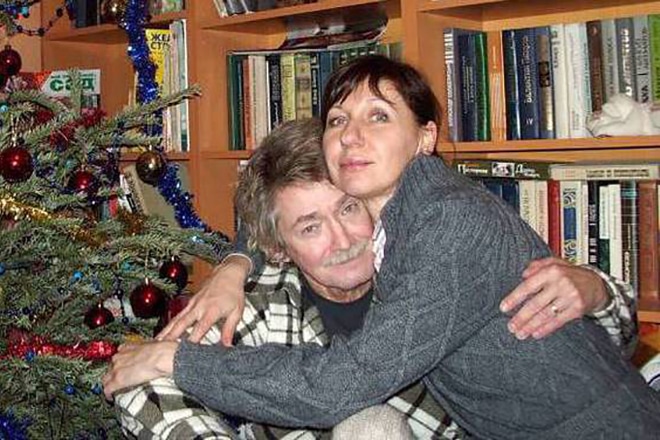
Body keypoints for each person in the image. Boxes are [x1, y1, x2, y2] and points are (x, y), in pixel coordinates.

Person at [105, 56, 660, 438]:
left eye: (379, 117)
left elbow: (338, 384)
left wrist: (596, 289)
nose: (345, 239)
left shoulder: (444, 227)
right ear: (278, 246)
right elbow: (138, 389)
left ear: (425, 138)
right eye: (339, 121)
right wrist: (236, 259)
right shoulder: (261, 296)